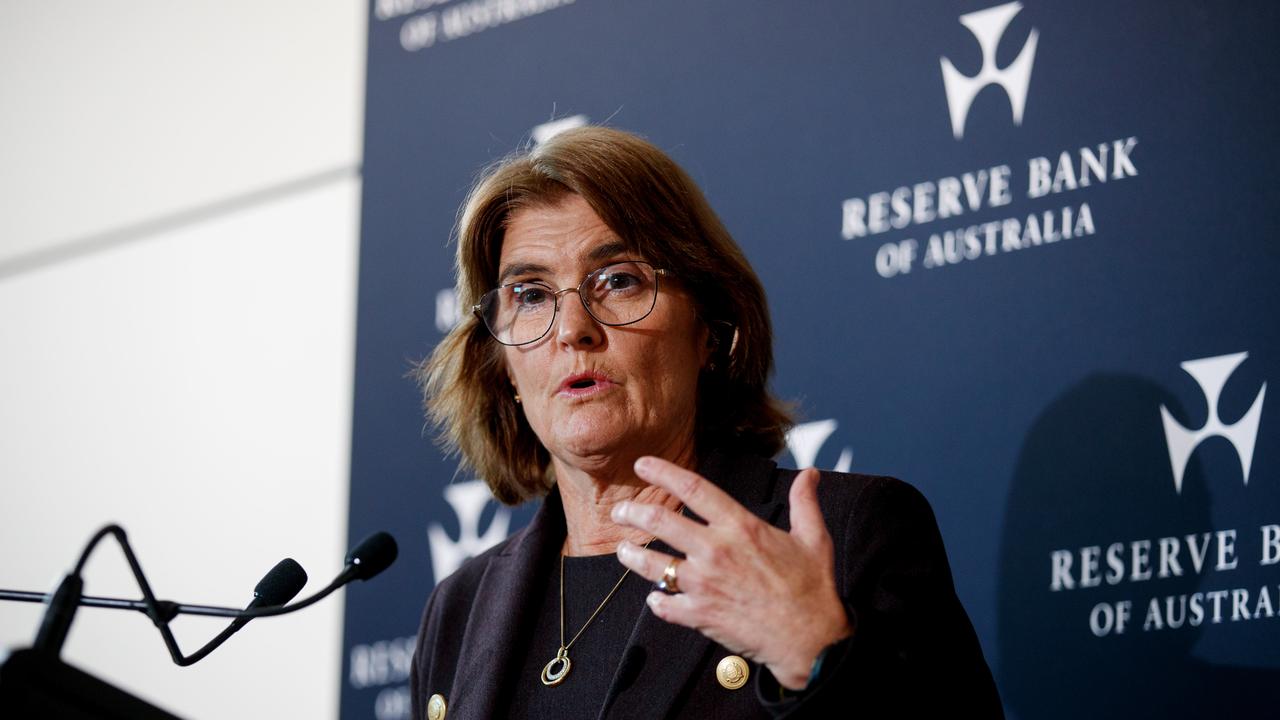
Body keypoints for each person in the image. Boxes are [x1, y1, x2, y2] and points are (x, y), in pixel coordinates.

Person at [410, 126, 1002, 719]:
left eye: (618, 280)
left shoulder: (845, 535)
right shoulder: (458, 611)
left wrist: (817, 657)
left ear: (711, 331)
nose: (572, 330)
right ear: (504, 367)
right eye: (531, 294)